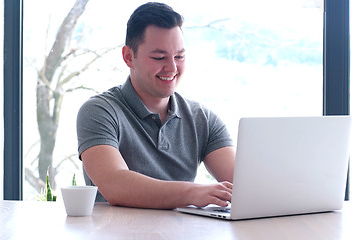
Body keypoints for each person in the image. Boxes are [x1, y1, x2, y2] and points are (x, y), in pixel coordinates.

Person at [77, 2, 235, 209]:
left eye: (179, 56)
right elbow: (115, 185)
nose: (172, 68)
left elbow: (246, 186)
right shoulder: (100, 111)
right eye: (159, 57)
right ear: (128, 57)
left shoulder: (203, 119)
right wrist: (193, 192)